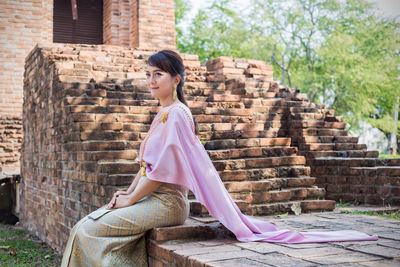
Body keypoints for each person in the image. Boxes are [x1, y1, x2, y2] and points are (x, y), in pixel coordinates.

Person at [61, 49, 378, 267]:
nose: (152, 80)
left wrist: (131, 200)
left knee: (90, 229)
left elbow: (161, 173)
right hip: (148, 199)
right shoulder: (164, 114)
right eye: (149, 74)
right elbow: (146, 166)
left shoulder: (177, 115)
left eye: (159, 74)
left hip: (167, 204)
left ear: (177, 79)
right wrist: (128, 194)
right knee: (82, 227)